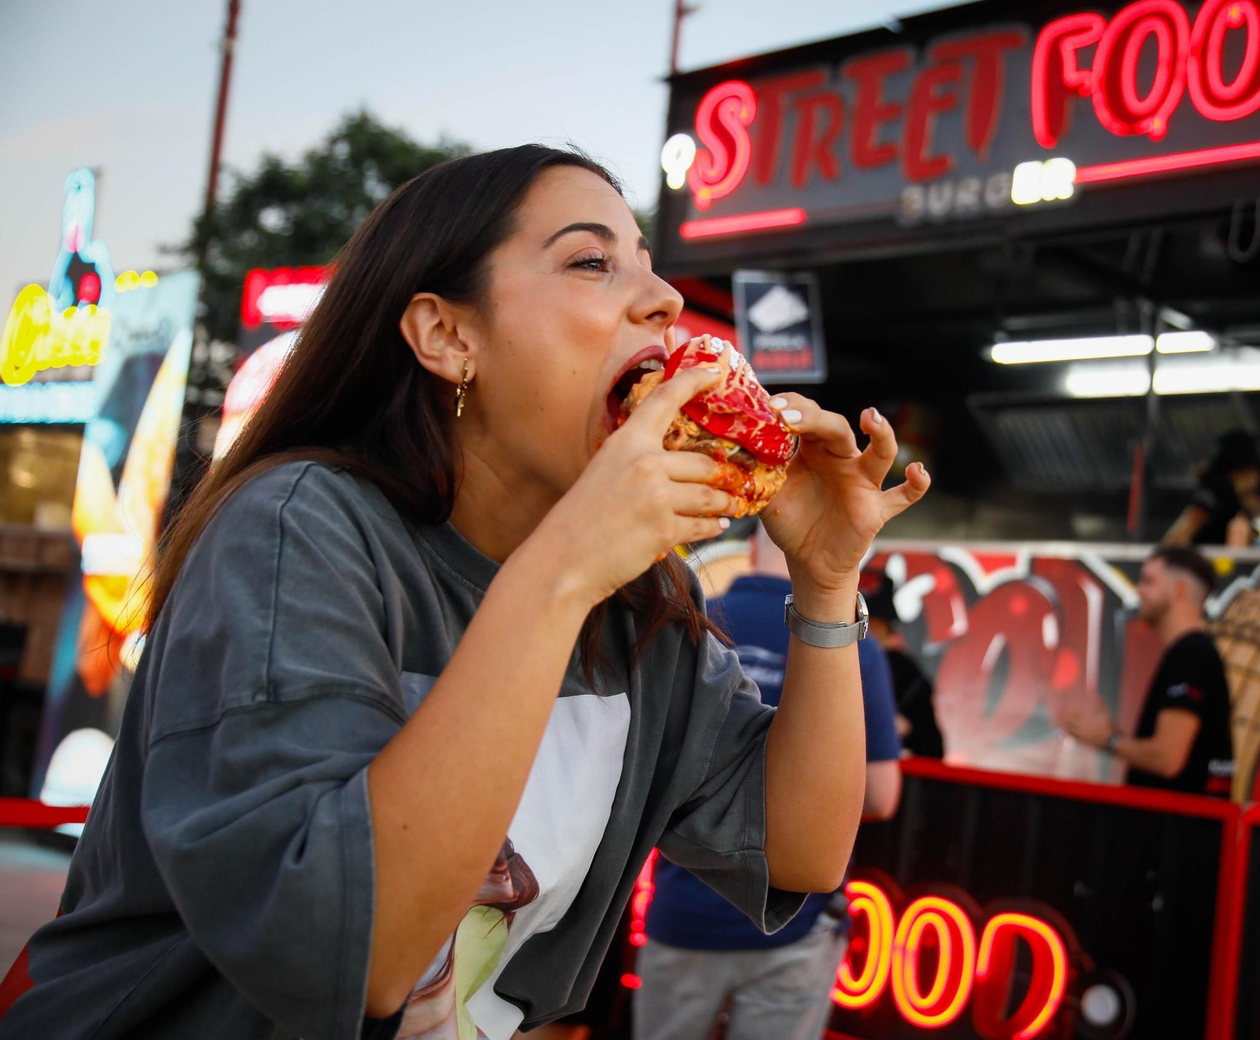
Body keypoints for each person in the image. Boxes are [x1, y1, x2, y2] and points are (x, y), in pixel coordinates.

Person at [0, 145, 930, 1040]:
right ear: (448, 336)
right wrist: (564, 569)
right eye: (592, 261)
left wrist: (826, 581)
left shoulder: (642, 597)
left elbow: (800, 848)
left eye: (648, 263)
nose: (665, 299)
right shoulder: (299, 525)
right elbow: (356, 950)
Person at [635, 523, 901, 1040]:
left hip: (683, 913)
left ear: (754, 545)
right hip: (794, 923)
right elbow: (881, 796)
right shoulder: (851, 644)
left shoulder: (688, 623)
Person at [1059, 547, 1233, 797]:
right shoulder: (1190, 652)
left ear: (1179, 590)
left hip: (1175, 821)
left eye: (1148, 581)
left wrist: (1108, 739)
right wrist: (1114, 736)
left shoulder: (1191, 654)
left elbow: (1168, 759)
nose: (1138, 591)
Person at [863, 573, 943, 759]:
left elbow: (934, 748)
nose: (862, 629)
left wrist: (908, 727)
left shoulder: (906, 672)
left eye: (869, 622)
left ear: (886, 625)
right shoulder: (826, 662)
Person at [1163, 429, 1260, 548]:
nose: (1256, 479)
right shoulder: (1211, 498)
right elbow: (1175, 539)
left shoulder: (1236, 502)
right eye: (1253, 472)